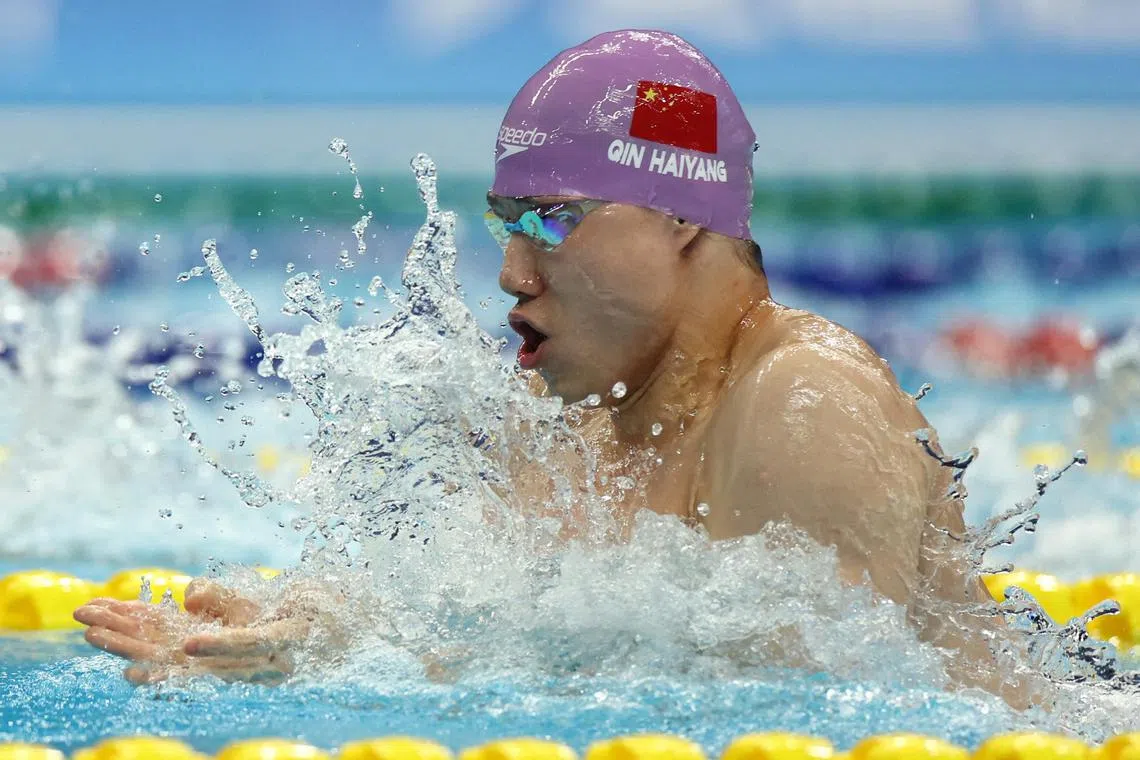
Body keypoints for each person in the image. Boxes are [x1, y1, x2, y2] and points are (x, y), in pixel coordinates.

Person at [74, 29, 987, 687]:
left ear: (680, 219)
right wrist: (314, 638)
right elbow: (500, 635)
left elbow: (803, 725)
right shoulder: (579, 429)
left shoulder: (802, 406)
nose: (512, 273)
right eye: (507, 225)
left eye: (554, 219)